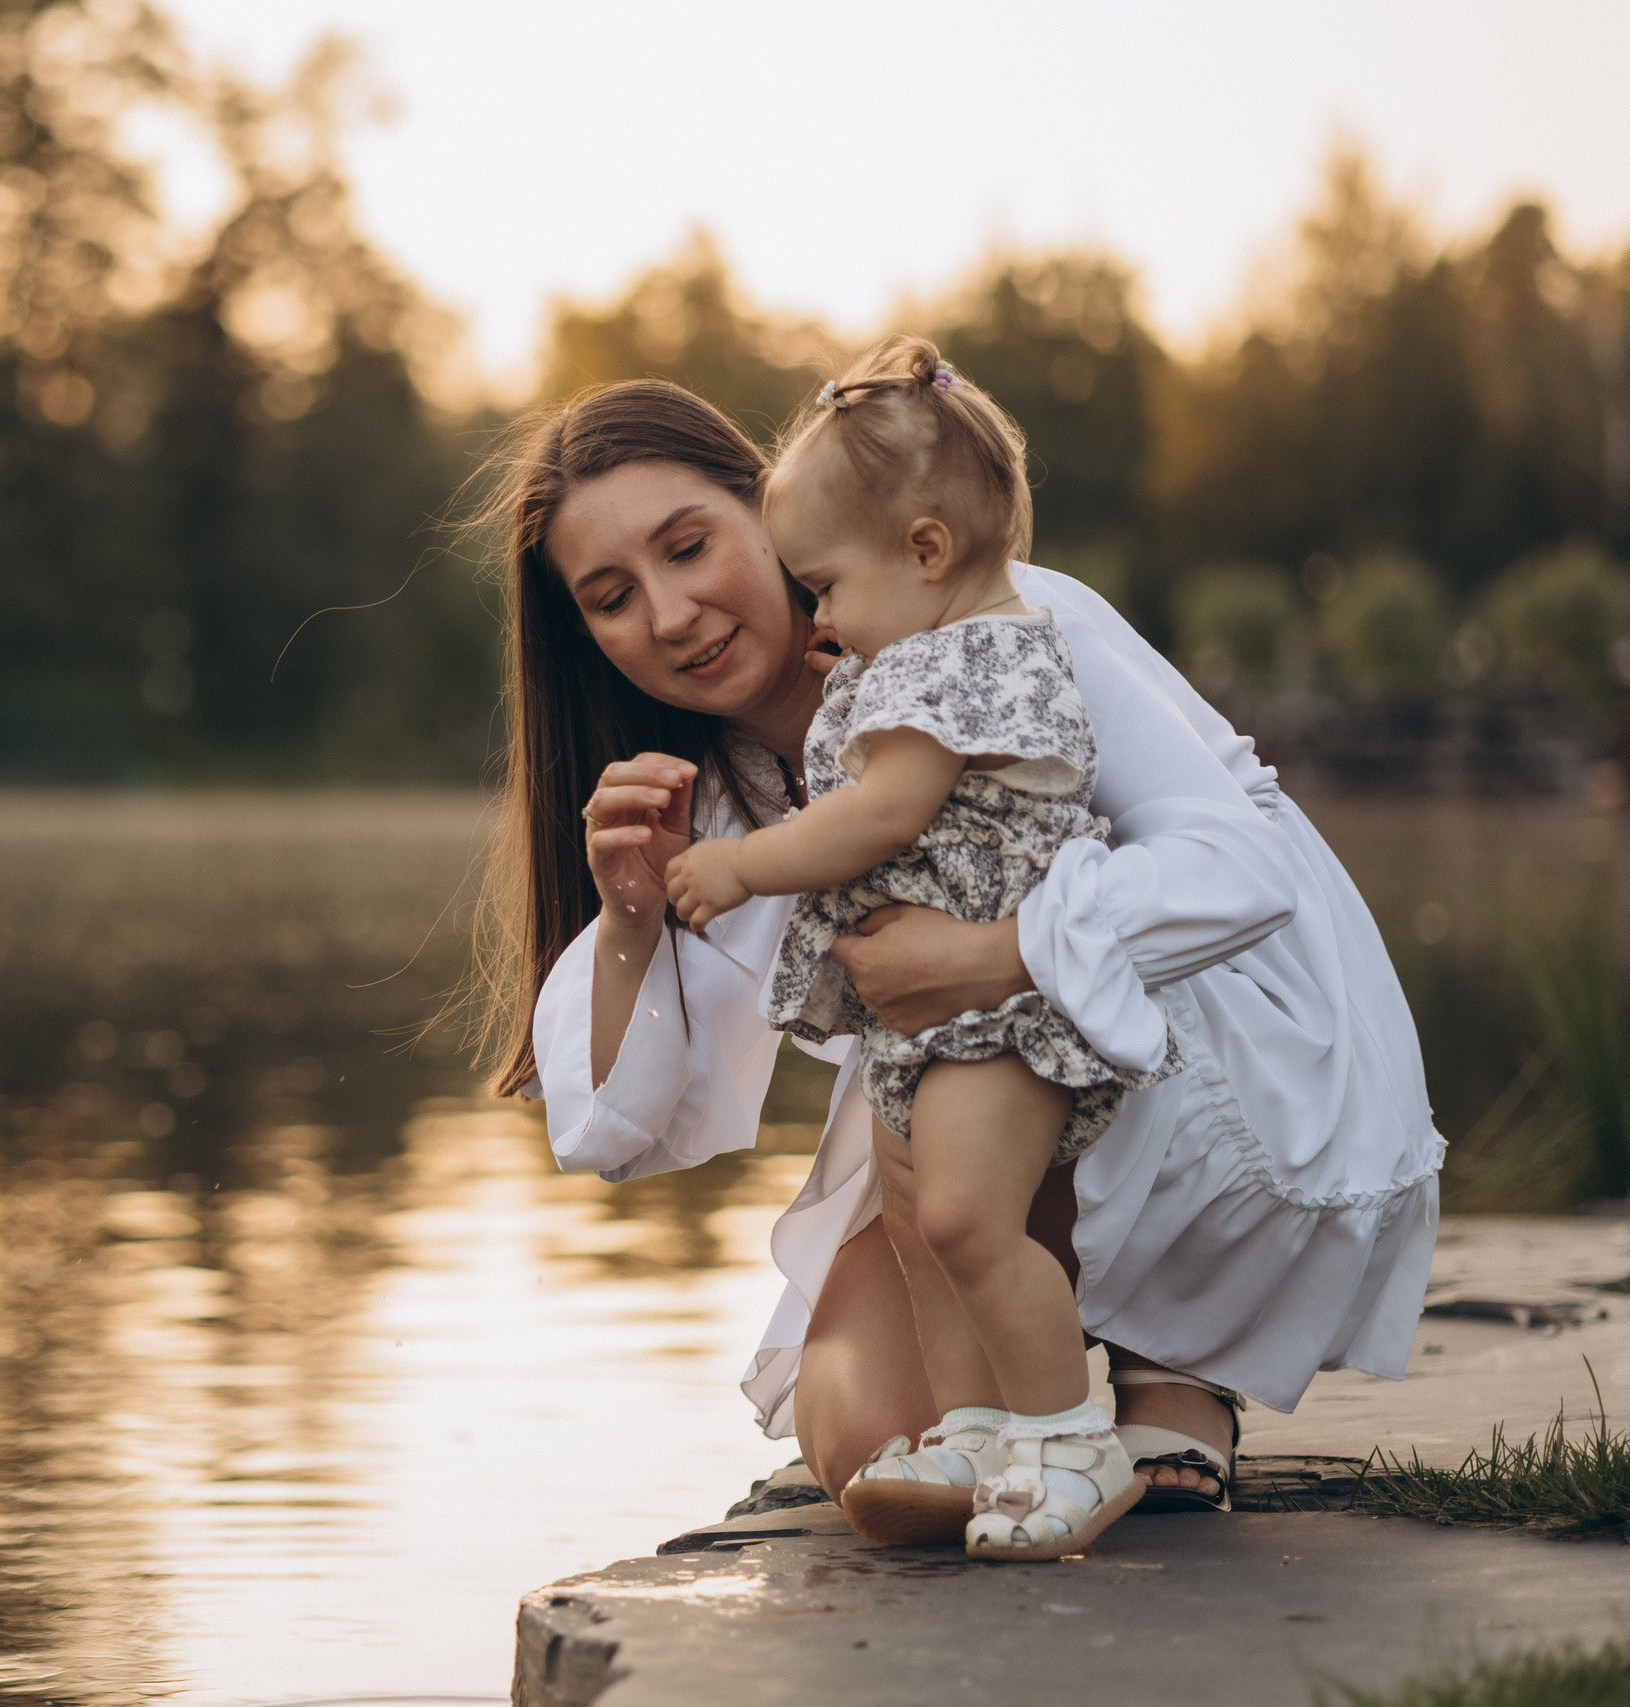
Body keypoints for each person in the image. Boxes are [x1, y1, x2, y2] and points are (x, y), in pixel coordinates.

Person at [463, 361, 1441, 1527]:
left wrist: (994, 956)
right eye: (610, 595)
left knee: (977, 1131)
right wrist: (631, 915)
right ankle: (1044, 1408)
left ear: (766, 507)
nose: (668, 615)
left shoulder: (1004, 632)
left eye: (688, 547)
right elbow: (618, 1133)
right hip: (967, 1086)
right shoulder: (713, 793)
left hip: (1214, 1030)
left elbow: (1244, 874)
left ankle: (1169, 1362)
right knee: (872, 1442)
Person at [664, 341, 1178, 1558]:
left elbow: (882, 816)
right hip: (924, 1016)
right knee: (913, 1225)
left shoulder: (969, 661)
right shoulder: (937, 652)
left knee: (968, 1221)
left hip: (988, 1007)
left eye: (826, 585)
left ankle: (1067, 1438)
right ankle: (977, 1426)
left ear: (927, 551)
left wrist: (739, 863)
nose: (818, 617)